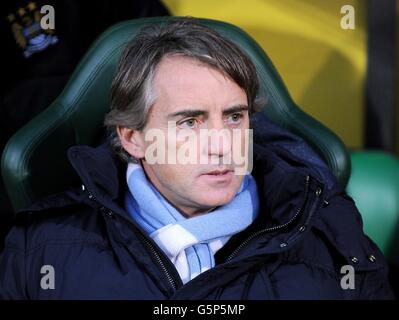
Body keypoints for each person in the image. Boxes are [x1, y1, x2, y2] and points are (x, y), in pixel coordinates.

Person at [0, 18, 394, 299]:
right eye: (190, 122)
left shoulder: (331, 234)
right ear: (133, 138)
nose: (223, 145)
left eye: (236, 116)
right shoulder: (41, 249)